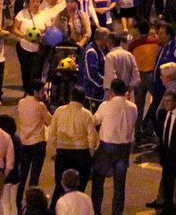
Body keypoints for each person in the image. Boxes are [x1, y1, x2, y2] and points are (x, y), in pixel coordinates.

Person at [91, 80, 138, 215]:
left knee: (98, 181)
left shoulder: (106, 105)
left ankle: (96, 210)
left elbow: (95, 120)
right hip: (124, 148)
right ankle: (117, 212)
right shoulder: (133, 107)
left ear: (112, 91)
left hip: (106, 146)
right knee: (119, 185)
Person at [47, 90, 96, 208]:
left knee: (60, 186)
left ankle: (55, 209)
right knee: (80, 187)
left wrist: (57, 146)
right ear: (83, 99)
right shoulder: (87, 114)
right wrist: (91, 155)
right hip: (82, 154)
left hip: (63, 153)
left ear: (70, 97)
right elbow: (92, 137)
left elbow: (52, 132)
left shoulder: (59, 111)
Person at [13, 81, 50, 214]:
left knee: (22, 175)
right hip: (38, 143)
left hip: (24, 142)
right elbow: (49, 121)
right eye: (42, 91)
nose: (44, 93)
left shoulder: (21, 103)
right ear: (35, 92)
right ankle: (31, 205)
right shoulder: (40, 106)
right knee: (34, 176)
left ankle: (18, 203)